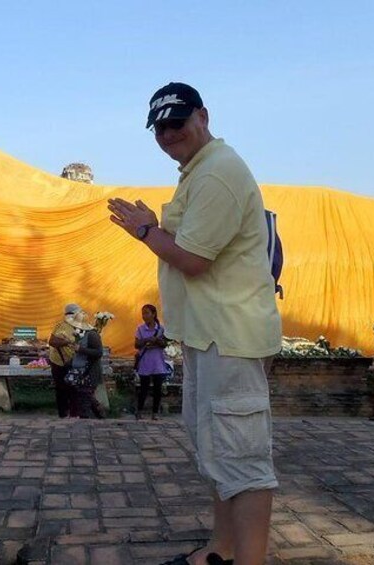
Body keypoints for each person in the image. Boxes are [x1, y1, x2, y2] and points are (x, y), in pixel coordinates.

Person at [108, 82, 282, 565]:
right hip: (210, 336)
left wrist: (145, 231)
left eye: (177, 123)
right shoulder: (197, 172)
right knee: (217, 450)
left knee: (242, 459)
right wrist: (153, 227)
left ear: (202, 116)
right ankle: (221, 551)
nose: (168, 134)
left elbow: (193, 260)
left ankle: (247, 559)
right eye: (159, 127)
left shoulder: (217, 174)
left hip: (232, 337)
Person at [66, 309, 106, 419]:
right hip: (79, 372)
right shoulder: (79, 336)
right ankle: (98, 413)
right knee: (84, 397)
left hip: (89, 373)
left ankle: (88, 419)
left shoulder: (92, 335)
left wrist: (81, 349)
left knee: (85, 399)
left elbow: (98, 352)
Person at [135, 304, 170, 420]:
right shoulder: (140, 329)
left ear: (153, 314)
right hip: (145, 362)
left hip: (158, 362)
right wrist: (147, 340)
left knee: (157, 389)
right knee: (143, 389)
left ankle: (155, 413)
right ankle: (139, 411)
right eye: (143, 313)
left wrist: (156, 341)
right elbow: (136, 344)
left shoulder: (161, 329)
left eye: (147, 313)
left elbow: (165, 344)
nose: (144, 316)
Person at [48, 303, 82, 417]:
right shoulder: (60, 326)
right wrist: (67, 342)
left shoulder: (82, 327)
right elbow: (52, 342)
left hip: (75, 362)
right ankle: (63, 414)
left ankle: (74, 414)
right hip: (59, 362)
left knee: (74, 388)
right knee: (61, 388)